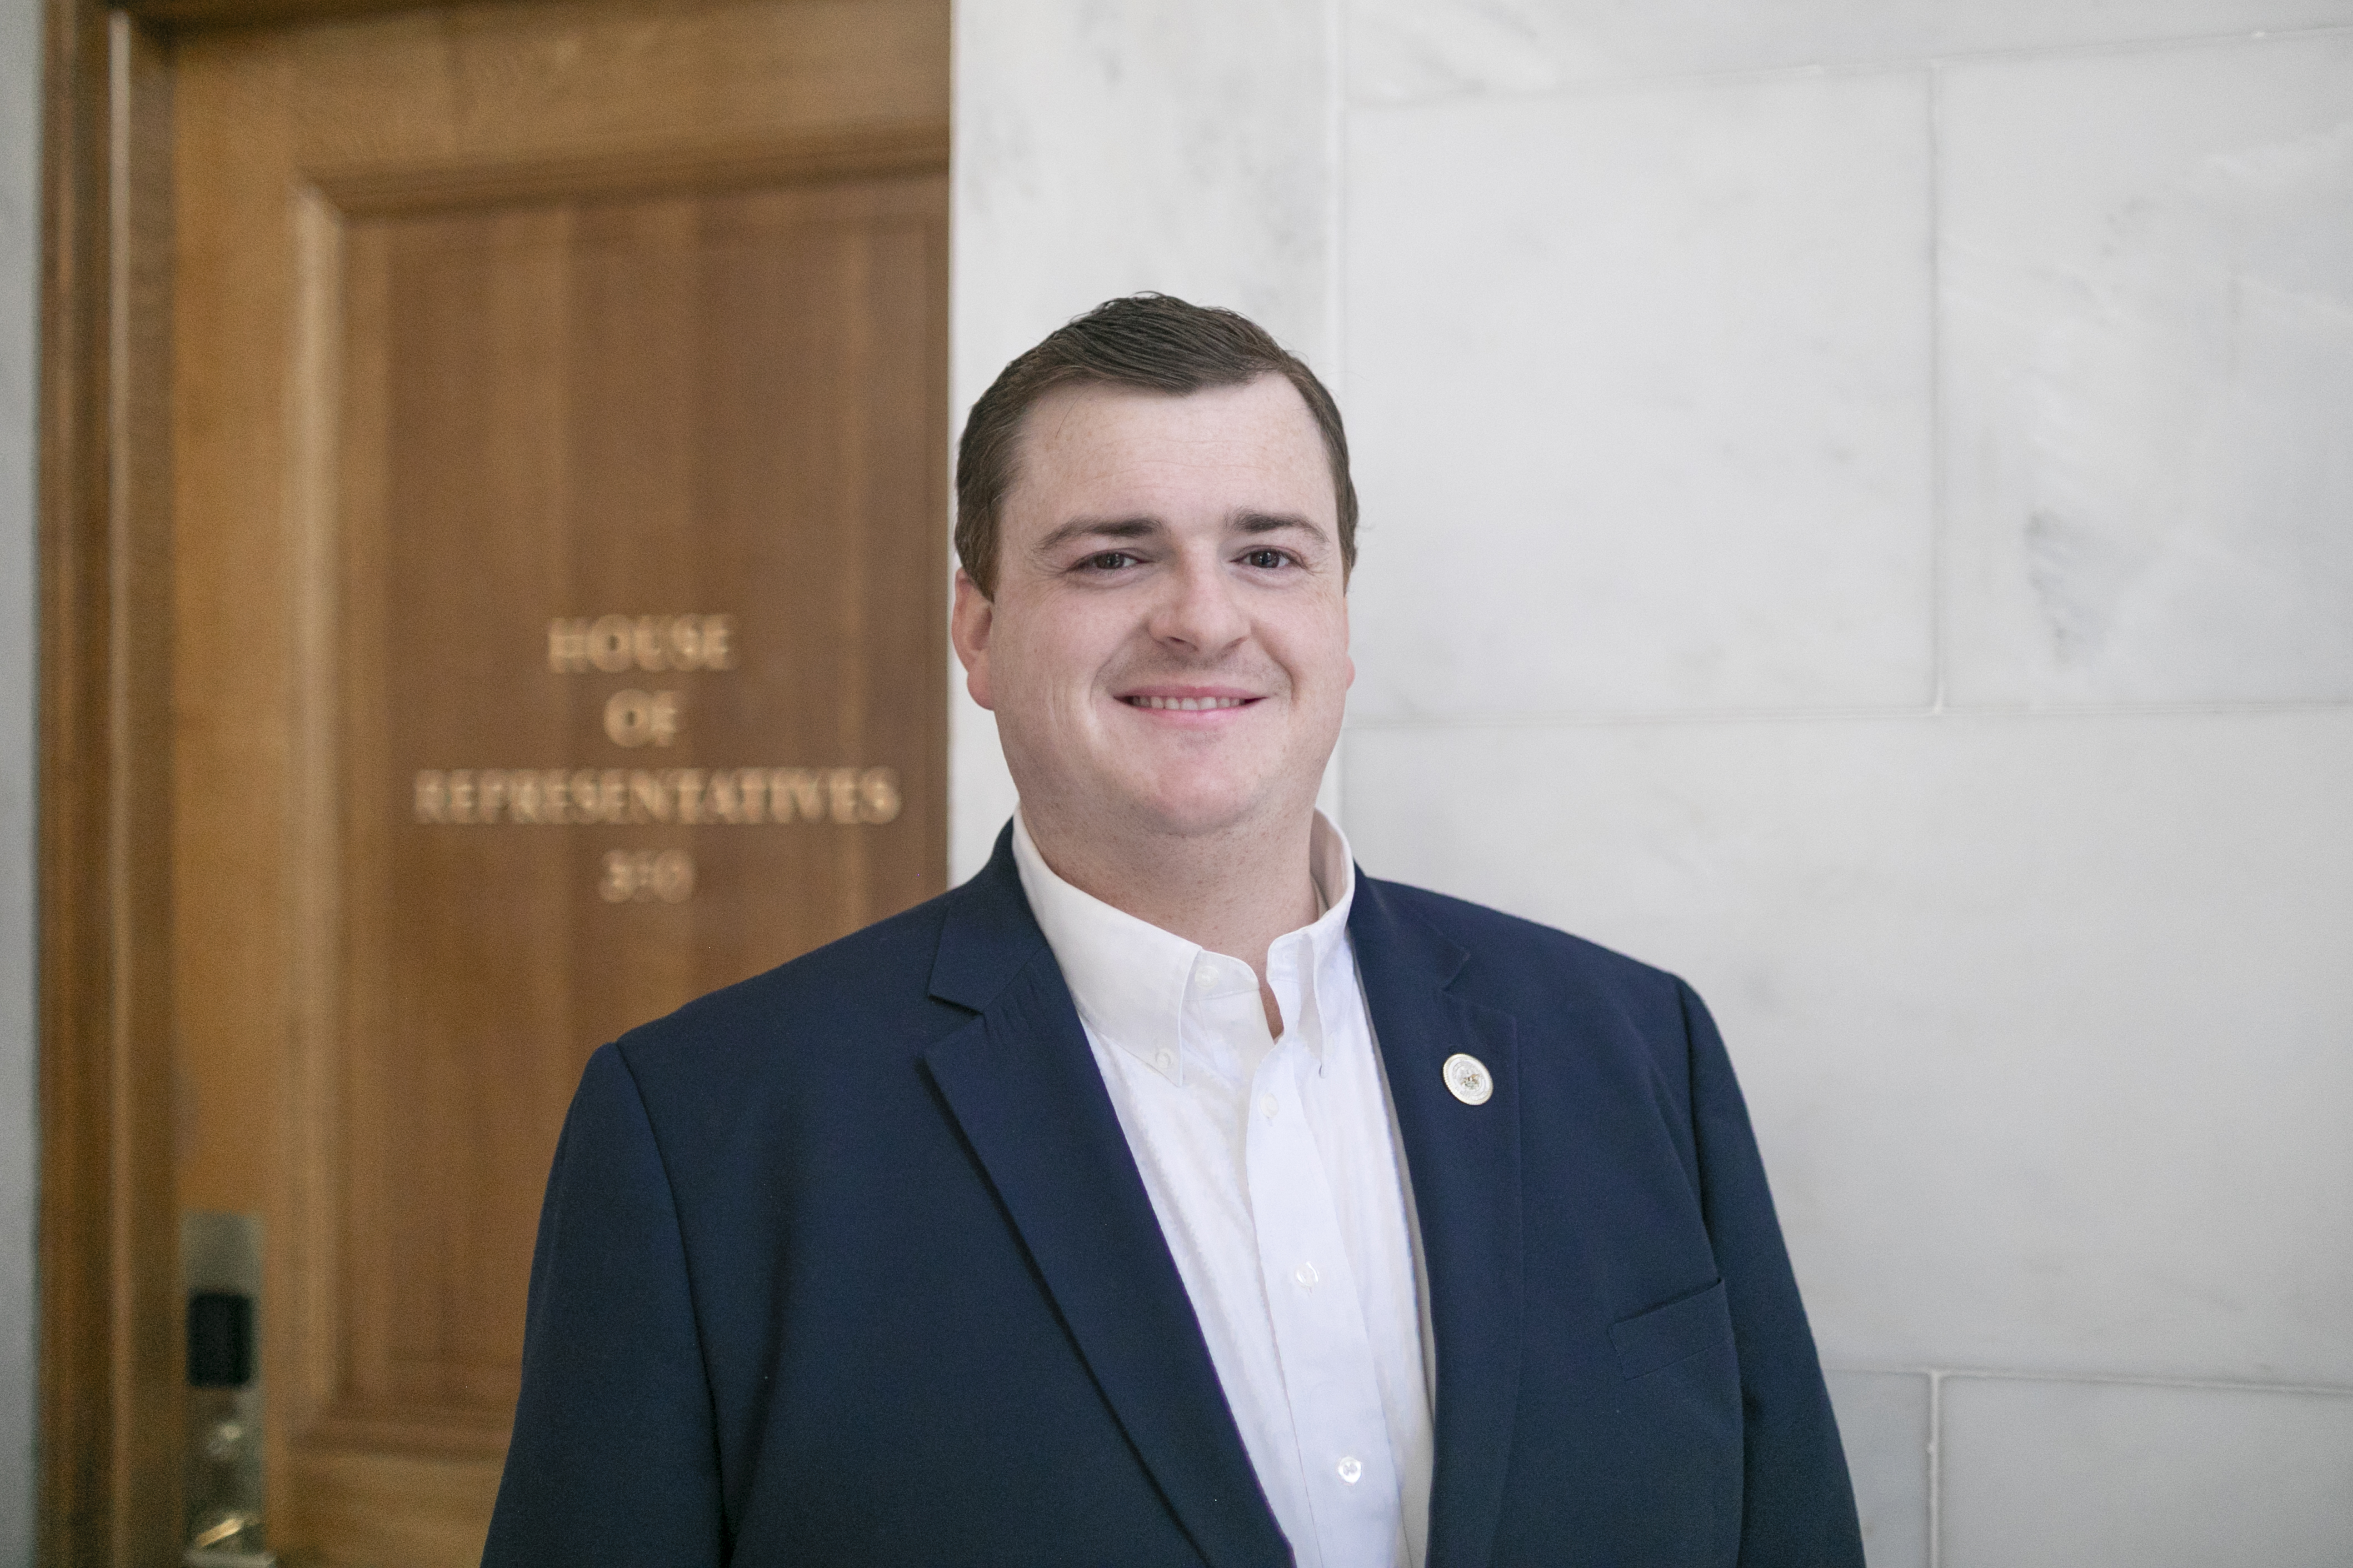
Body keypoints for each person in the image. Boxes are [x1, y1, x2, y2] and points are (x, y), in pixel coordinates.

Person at [483, 294, 1864, 1567]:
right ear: (977, 629)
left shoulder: (1630, 1047)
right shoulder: (709, 1127)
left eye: (1268, 553)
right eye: (1113, 556)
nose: (1204, 618)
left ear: (1336, 614)